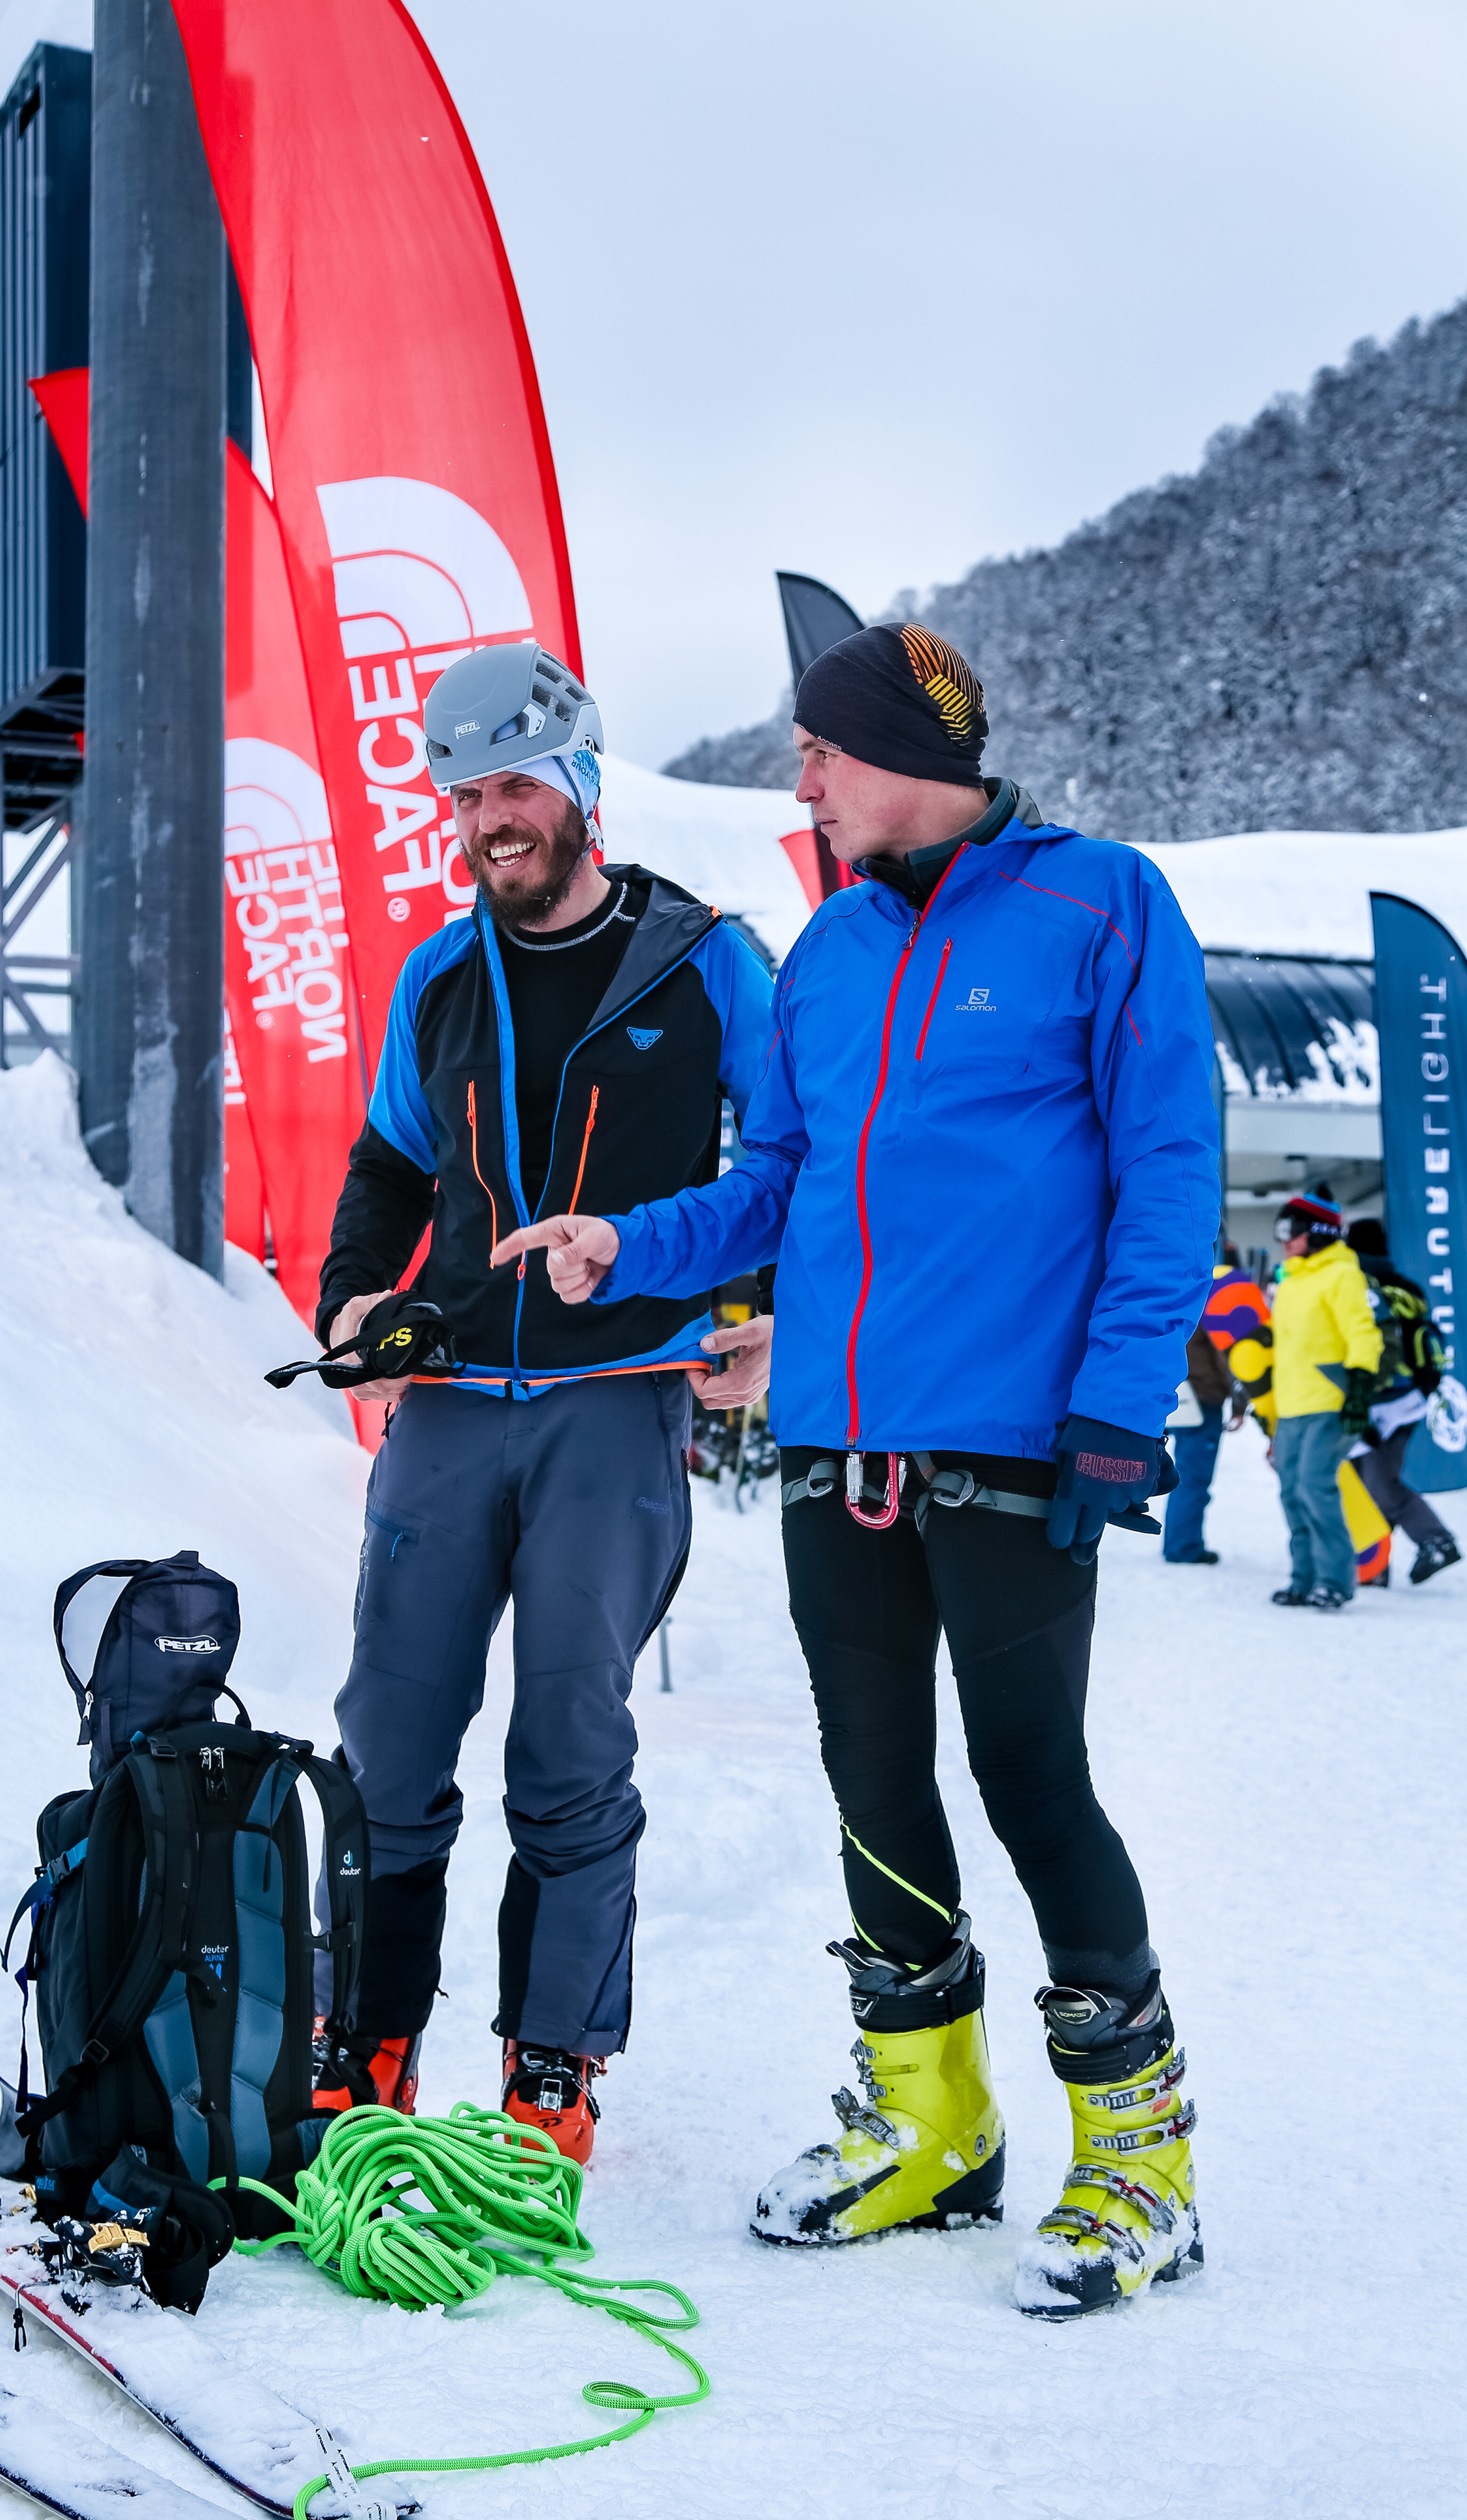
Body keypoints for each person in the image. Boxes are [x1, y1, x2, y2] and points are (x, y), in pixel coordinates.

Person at [496, 621, 1220, 2319]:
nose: (802, 779)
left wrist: (1116, 1406)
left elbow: (1168, 1165)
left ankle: (1139, 2157)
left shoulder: (1100, 905)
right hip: (834, 1438)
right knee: (870, 1776)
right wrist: (630, 1241)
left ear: (907, 752)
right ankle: (931, 2123)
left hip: (1015, 1437)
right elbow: (780, 1181)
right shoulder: (824, 947)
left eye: (820, 750)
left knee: (1029, 1776)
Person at [309, 641, 774, 2163]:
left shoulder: (707, 961)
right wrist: (351, 1300)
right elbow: (389, 1163)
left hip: (615, 1404)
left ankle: (551, 2068)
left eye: (512, 786)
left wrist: (712, 1288)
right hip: (446, 1401)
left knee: (569, 1749)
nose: (485, 820)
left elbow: (787, 1170)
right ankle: (365, 2041)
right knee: (388, 1741)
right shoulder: (439, 976)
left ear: (577, 785)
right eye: (461, 796)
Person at [1263, 1190, 1383, 1611]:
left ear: (1316, 1232)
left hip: (1329, 1401)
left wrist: (1360, 1392)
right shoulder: (1292, 1279)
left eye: (1289, 1230)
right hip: (1292, 1405)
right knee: (1292, 1493)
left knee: (1315, 1487)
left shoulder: (1341, 1274)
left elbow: (1362, 1333)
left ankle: (1335, 1580)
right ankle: (1304, 1579)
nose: (1283, 1240)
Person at [1343, 1218, 1460, 1584]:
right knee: (1369, 1481)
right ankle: (1374, 1562)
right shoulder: (1406, 1286)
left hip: (1379, 1401)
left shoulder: (1358, 1286)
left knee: (1378, 1483)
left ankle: (1436, 1540)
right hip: (1408, 1399)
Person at [1163, 1244, 1273, 1564]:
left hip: (1172, 1392)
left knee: (1175, 1472)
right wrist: (1240, 1403)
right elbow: (1227, 1354)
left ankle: (1178, 1542)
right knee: (1193, 1477)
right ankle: (1183, 1546)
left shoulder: (1171, 1282)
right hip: (1204, 1397)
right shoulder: (1213, 1290)